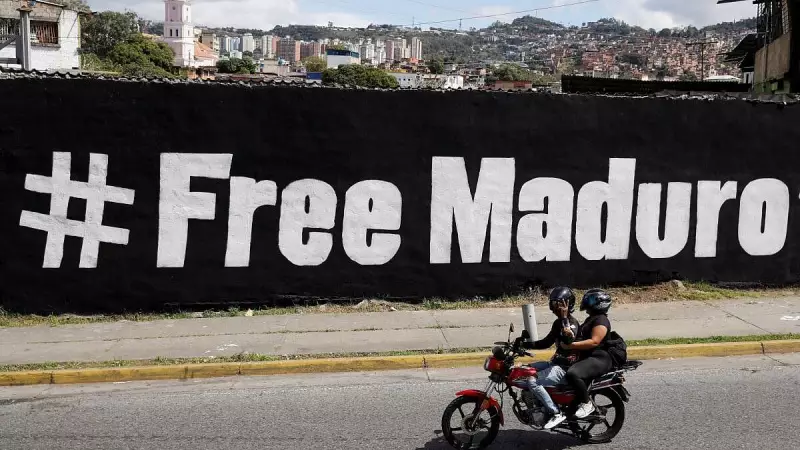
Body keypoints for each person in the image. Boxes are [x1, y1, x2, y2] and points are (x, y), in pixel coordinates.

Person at [518, 287, 581, 430]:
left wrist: (564, 318)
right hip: (555, 363)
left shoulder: (571, 323)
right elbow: (546, 343)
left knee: (532, 381)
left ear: (568, 304)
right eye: (554, 304)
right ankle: (535, 401)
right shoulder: (558, 323)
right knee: (525, 370)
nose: (555, 307)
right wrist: (523, 345)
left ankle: (555, 412)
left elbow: (568, 340)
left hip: (565, 368)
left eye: (559, 304)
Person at [560, 288, 614, 419]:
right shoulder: (591, 319)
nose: (586, 302)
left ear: (600, 303)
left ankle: (586, 403)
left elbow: (594, 342)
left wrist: (571, 346)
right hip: (589, 357)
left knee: (573, 373)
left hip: (599, 358)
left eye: (590, 299)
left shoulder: (601, 320)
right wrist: (564, 318)